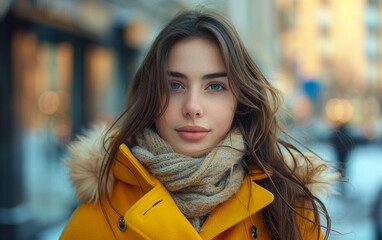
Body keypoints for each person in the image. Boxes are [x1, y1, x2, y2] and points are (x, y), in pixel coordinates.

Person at [60, 9, 340, 240]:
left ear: (240, 99)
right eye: (175, 85)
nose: (193, 107)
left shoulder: (288, 208)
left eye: (215, 86)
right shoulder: (97, 217)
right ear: (151, 95)